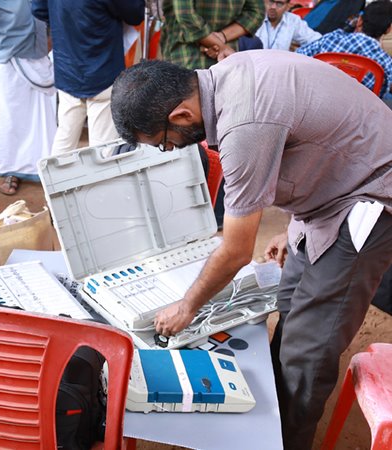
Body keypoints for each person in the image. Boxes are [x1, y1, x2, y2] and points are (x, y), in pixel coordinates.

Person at [110, 54, 392, 450]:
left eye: (163, 142)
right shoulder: (227, 76)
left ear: (182, 115)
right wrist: (300, 219)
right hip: (333, 190)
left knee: (309, 347)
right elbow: (312, 141)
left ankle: (289, 440)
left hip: (370, 199)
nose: (170, 150)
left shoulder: (242, 126)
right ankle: (272, 426)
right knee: (291, 300)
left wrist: (187, 306)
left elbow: (237, 249)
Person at [0, 0, 57, 195]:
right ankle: (11, 170)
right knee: (9, 121)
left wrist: (49, 42)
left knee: (42, 120)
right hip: (5, 57)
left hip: (38, 54)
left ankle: (44, 167)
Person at [31, 0, 144, 154]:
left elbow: (39, 9)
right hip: (103, 71)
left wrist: (65, 20)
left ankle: (56, 178)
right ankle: (98, 178)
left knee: (64, 139)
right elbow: (135, 14)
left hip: (68, 67)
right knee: (103, 149)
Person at [296, 0, 392, 99]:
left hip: (314, 101)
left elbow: (299, 55)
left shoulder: (332, 38)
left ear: (359, 21)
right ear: (388, 29)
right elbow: (382, 93)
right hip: (355, 112)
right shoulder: (385, 62)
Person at [160, 0, 264, 70]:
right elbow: (256, 13)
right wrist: (222, 39)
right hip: (226, 58)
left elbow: (185, 14)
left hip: (186, 56)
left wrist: (219, 43)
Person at [255, 0, 321, 50]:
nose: (273, 7)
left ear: (287, 6)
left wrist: (299, 51)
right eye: (271, 1)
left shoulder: (293, 20)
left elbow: (317, 40)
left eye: (279, 4)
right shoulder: (253, 17)